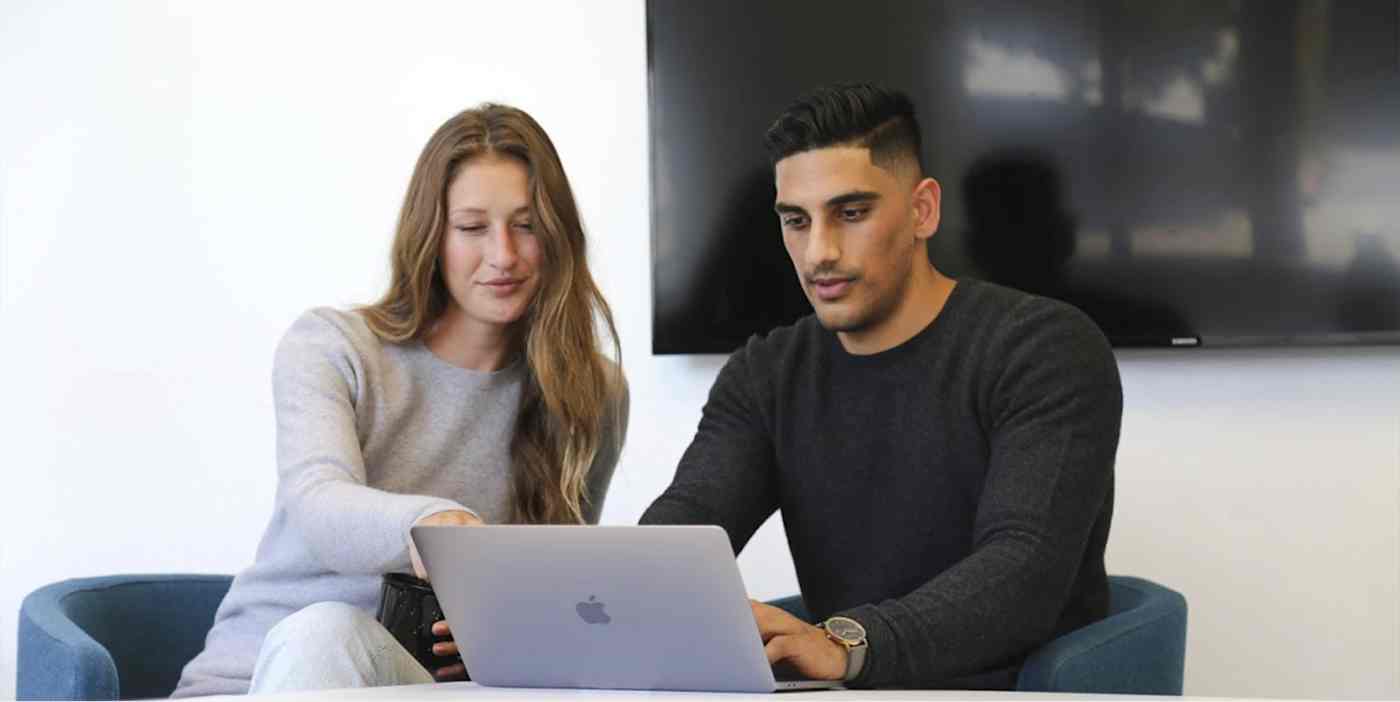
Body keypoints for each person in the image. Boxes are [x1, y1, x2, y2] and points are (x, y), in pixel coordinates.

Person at [640, 83, 1122, 689]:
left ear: (923, 210)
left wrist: (845, 644)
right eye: (796, 221)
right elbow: (686, 527)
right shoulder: (764, 372)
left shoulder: (1044, 348)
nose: (819, 253)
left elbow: (1021, 569)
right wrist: (589, 606)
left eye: (851, 212)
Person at [172, 103, 628, 697]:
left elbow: (559, 587)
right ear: (430, 235)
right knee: (326, 633)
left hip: (429, 687)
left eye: (528, 225)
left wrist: (508, 634)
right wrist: (433, 525)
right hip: (256, 678)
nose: (504, 255)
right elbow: (319, 505)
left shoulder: (591, 391)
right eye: (471, 228)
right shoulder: (333, 346)